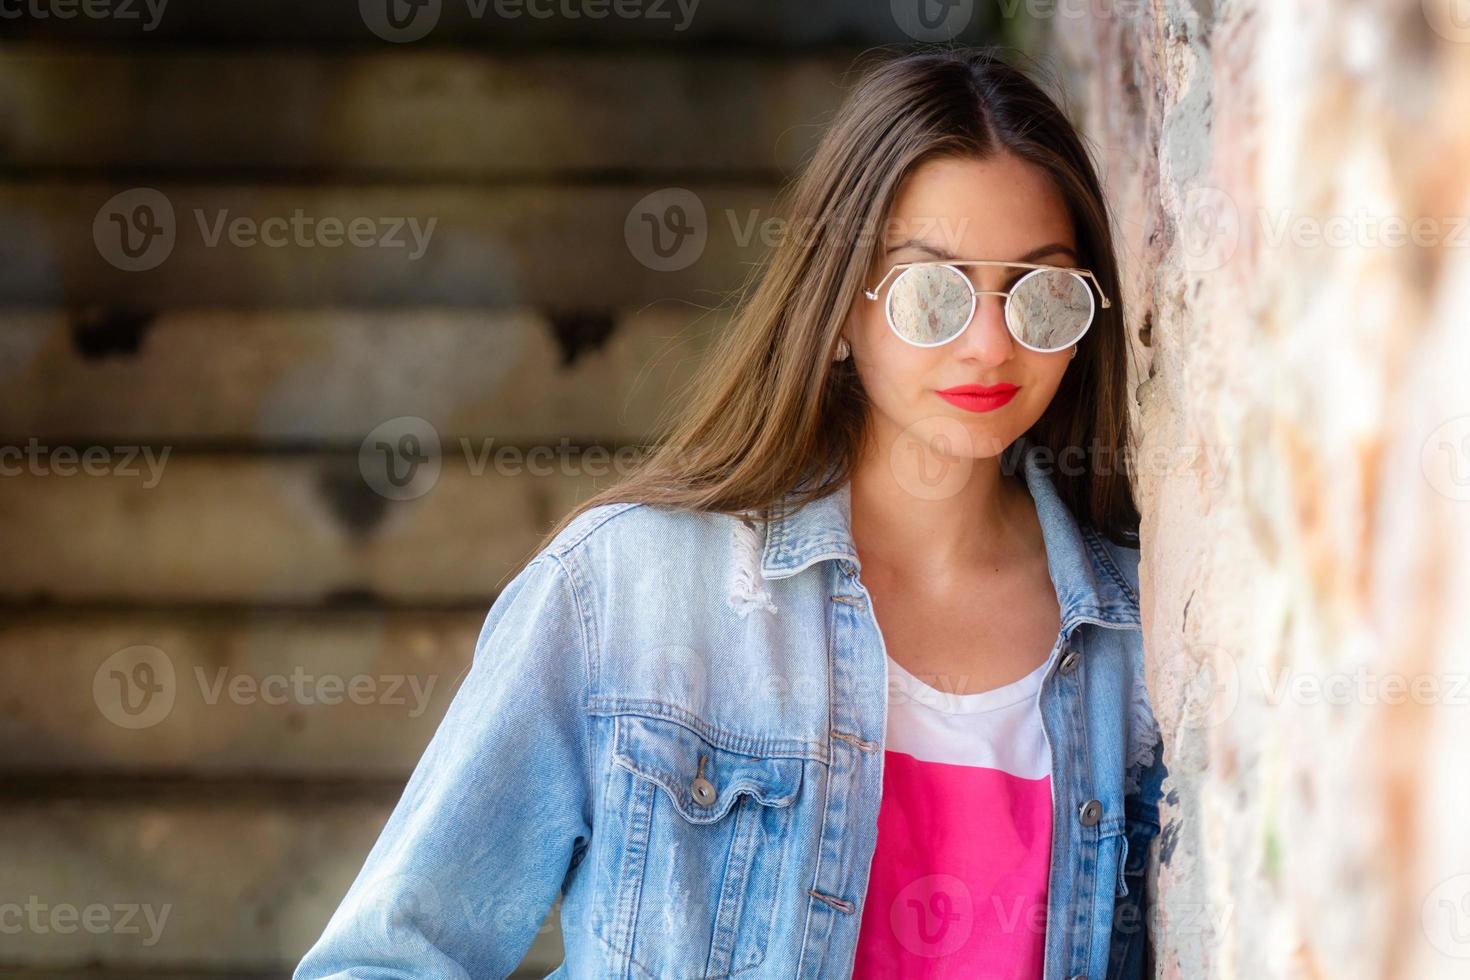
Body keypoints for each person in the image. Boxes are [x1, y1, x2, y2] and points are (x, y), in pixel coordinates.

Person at [296, 46, 1168, 980]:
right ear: (838, 313)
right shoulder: (627, 591)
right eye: (931, 292)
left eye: (1040, 293)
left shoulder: (1140, 639)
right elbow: (382, 960)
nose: (991, 343)